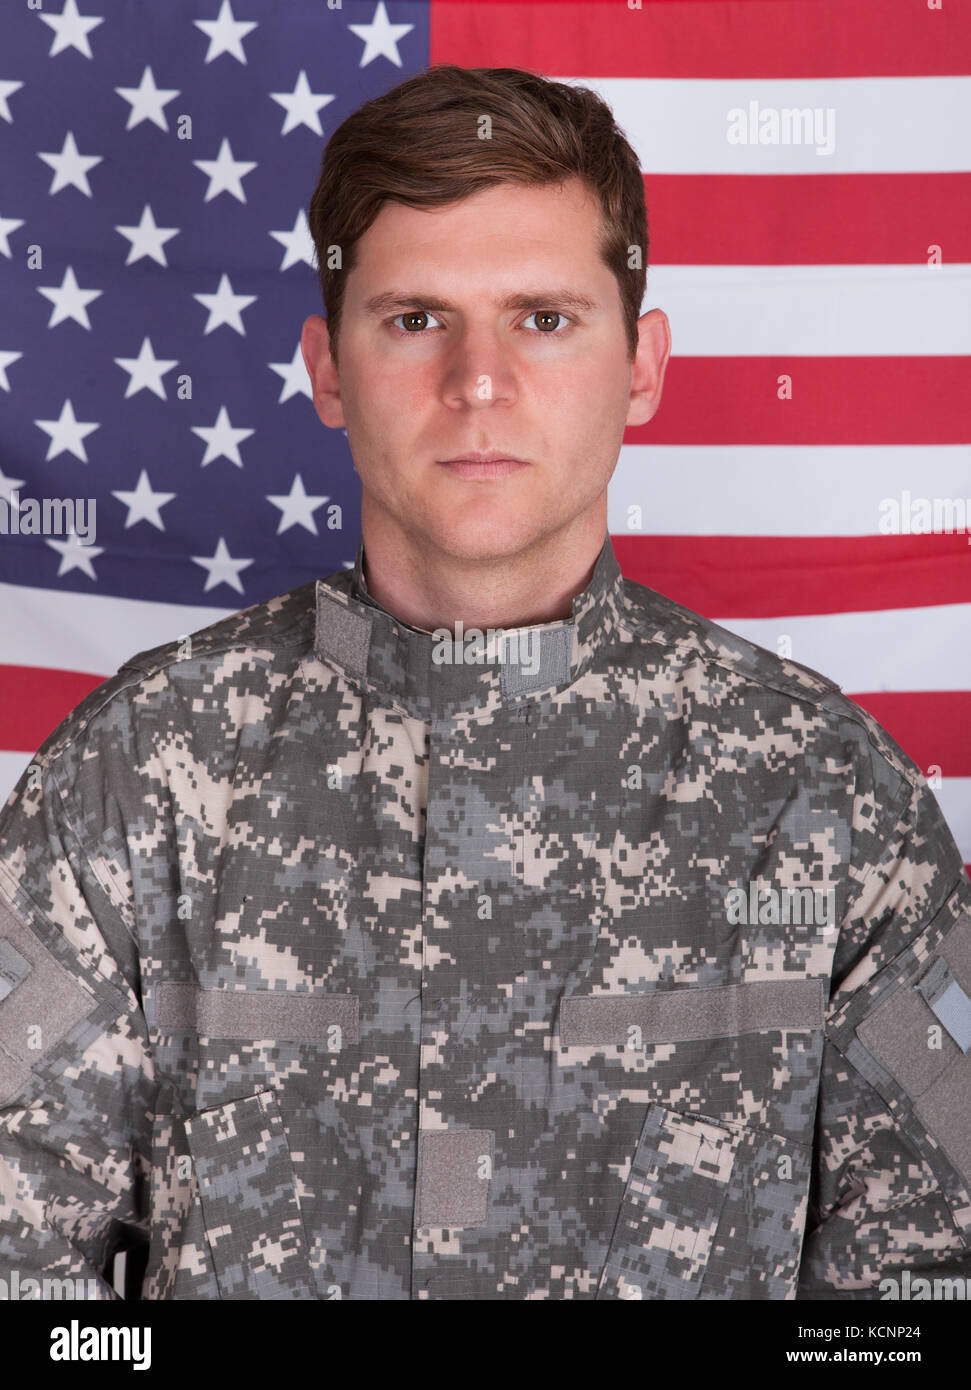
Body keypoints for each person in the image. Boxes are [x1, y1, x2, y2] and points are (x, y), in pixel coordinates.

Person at [1, 63, 969, 1302]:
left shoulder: (826, 798)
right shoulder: (131, 777)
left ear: (641, 366)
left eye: (544, 318)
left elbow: (925, 1297)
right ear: (329, 369)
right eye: (414, 318)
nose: (478, 381)